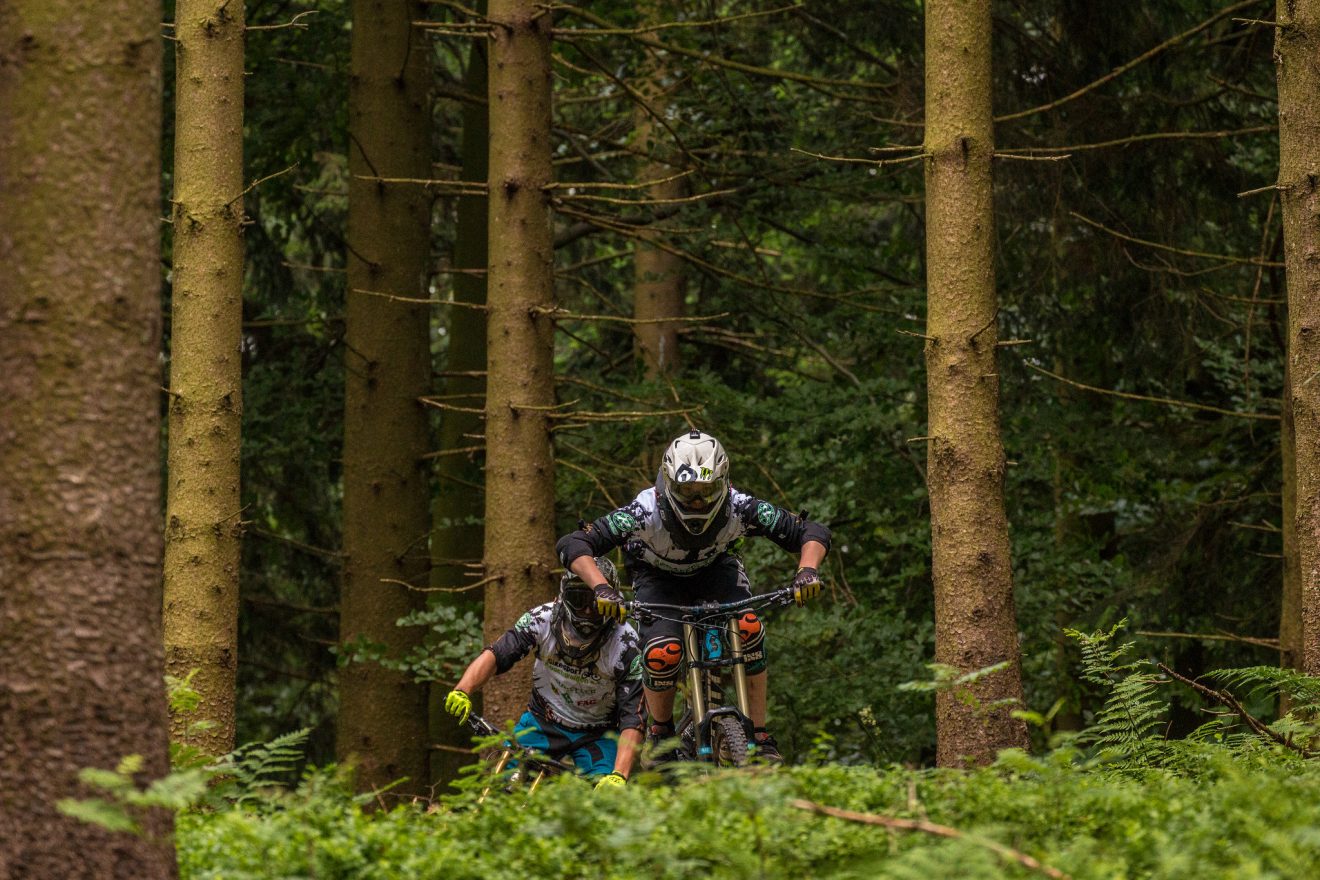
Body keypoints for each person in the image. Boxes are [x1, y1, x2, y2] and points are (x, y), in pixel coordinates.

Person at [555, 429, 831, 762]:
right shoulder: (644, 512)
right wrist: (601, 587)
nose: (697, 501)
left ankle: (760, 732)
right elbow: (575, 544)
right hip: (657, 577)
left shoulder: (738, 506)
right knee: (662, 653)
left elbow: (810, 531)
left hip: (715, 571)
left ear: (724, 482)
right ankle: (660, 730)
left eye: (707, 490)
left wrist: (807, 571)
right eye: (687, 491)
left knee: (749, 627)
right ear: (669, 484)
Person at [443, 557, 644, 789]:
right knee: (502, 787)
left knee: (605, 799)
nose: (588, 610)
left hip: (597, 736)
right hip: (542, 723)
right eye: (578, 599)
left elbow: (634, 714)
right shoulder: (542, 619)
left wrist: (620, 773)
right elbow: (498, 654)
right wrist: (462, 690)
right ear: (564, 596)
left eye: (596, 602)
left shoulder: (626, 643)